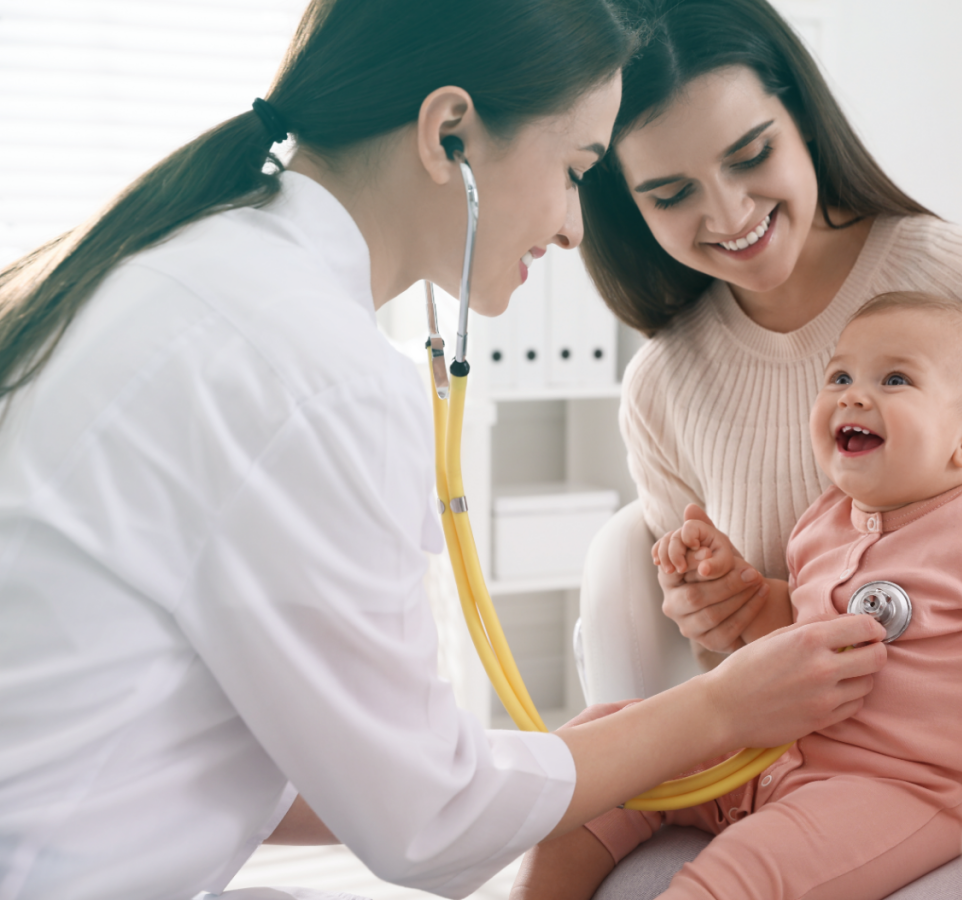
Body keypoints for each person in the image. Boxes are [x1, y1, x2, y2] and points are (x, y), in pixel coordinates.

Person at [0, 3, 893, 899]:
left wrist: (573, 759)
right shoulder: (315, 370)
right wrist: (720, 708)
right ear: (450, 134)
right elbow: (429, 826)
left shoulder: (188, 267)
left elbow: (263, 755)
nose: (578, 227)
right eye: (577, 168)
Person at [576, 0, 962, 742]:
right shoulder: (663, 386)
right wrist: (712, 610)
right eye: (672, 194)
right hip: (803, 773)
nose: (729, 212)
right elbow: (735, 660)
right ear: (626, 205)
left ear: (802, 117)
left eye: (750, 156)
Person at [515, 292, 962, 900]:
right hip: (766, 754)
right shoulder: (822, 521)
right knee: (603, 751)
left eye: (895, 379)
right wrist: (737, 588)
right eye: (839, 375)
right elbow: (790, 629)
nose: (853, 393)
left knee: (740, 870)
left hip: (896, 787)